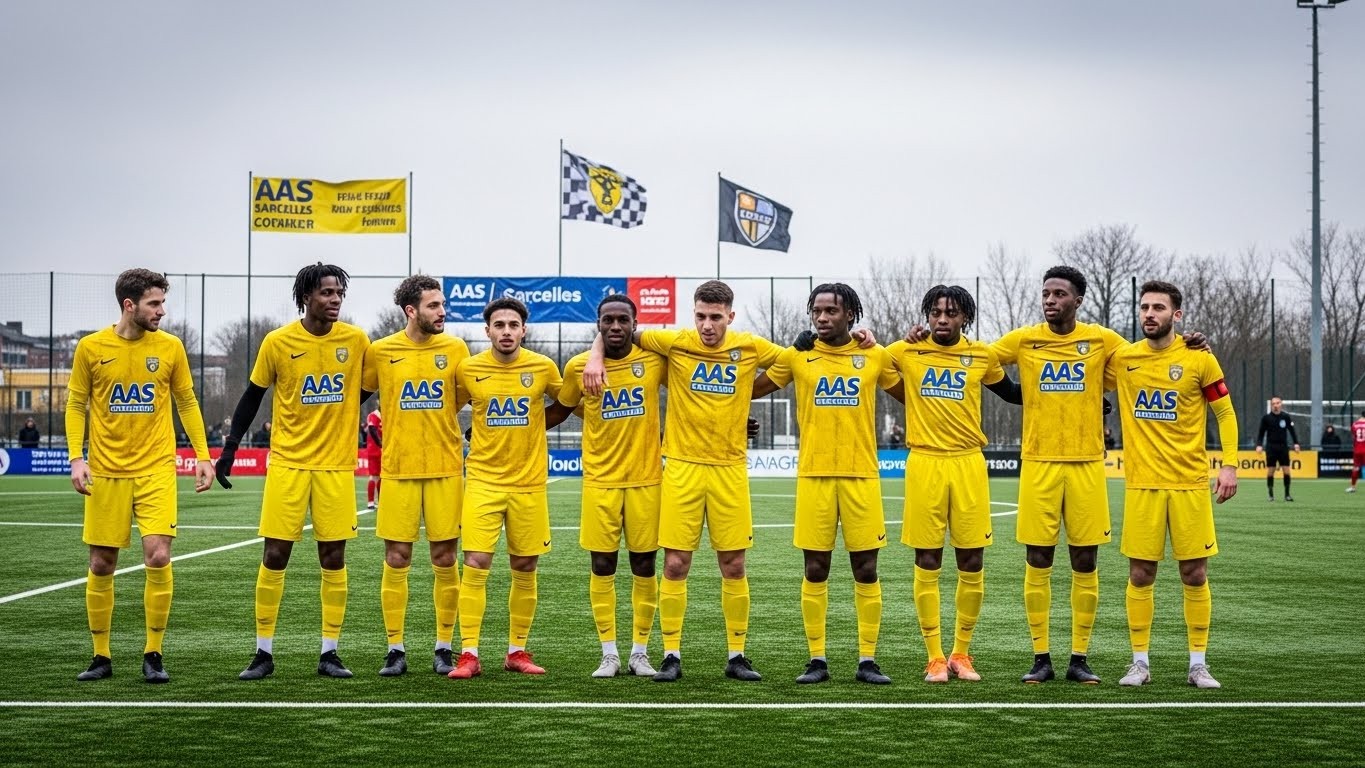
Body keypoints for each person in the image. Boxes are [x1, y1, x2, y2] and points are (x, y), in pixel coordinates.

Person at [582, 280, 788, 683]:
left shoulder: (750, 346)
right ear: (692, 314)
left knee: (734, 564)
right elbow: (615, 331)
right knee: (675, 564)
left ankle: (737, 655)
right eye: (700, 316)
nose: (707, 325)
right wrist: (594, 354)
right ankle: (671, 654)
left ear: (731, 315)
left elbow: (792, 364)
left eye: (716, 317)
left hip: (729, 468)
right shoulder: (674, 341)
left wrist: (741, 397)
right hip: (680, 467)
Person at [216, 262, 371, 681]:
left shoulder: (356, 340)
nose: (335, 299)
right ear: (306, 297)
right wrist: (230, 448)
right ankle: (263, 653)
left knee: (333, 556)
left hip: (336, 466)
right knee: (275, 554)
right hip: (287, 464)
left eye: (339, 292)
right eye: (326, 292)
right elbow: (252, 396)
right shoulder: (278, 341)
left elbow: (373, 383)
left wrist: (343, 411)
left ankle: (330, 652)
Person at [65, 268, 214, 683]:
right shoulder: (91, 348)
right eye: (154, 303)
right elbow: (77, 405)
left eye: (163, 302)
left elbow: (186, 400)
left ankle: (153, 653)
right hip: (107, 472)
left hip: (156, 470)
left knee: (159, 555)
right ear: (129, 305)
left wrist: (203, 454)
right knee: (101, 562)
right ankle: (101, 656)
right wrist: (77, 458)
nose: (162, 311)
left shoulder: (170, 348)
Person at [751, 283, 900, 685]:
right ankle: (816, 660)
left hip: (862, 477)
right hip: (814, 477)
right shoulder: (799, 356)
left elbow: (913, 392)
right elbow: (750, 388)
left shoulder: (873, 355)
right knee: (815, 568)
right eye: (816, 310)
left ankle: (868, 660)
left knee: (865, 569)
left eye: (831, 310)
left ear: (851, 314)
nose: (821, 317)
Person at [989, 266, 1131, 685]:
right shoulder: (1025, 339)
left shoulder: (1100, 339)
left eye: (1059, 294)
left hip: (1087, 464)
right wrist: (1013, 392)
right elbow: (979, 359)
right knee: (1038, 558)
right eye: (1046, 293)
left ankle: (1079, 657)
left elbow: (1143, 358)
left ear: (1078, 300)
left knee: (1085, 559)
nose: (1050, 300)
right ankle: (1041, 657)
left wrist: (1189, 343)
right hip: (1039, 464)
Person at [884, 285, 1025, 684]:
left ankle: (961, 653)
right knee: (927, 560)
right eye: (935, 312)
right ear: (926, 316)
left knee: (972, 560)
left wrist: (1076, 398)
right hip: (925, 461)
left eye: (951, 313)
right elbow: (868, 362)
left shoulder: (980, 355)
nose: (942, 319)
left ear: (965, 317)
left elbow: (1013, 393)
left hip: (967, 463)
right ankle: (933, 657)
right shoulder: (906, 351)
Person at [1110, 281, 1238, 690]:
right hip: (1143, 486)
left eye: (1159, 308)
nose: (1149, 313)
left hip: (1188, 485)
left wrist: (1229, 466)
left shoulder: (1200, 358)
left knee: (1195, 573)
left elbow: (1225, 412)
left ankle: (1198, 665)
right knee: (1141, 573)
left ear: (1176, 315)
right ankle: (1139, 663)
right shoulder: (1123, 358)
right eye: (1144, 307)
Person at [547, 294, 666, 678]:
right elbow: (560, 410)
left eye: (622, 320)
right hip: (600, 482)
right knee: (602, 564)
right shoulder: (579, 366)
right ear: (598, 324)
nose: (615, 327)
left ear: (635, 322)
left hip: (647, 480)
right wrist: (490, 430)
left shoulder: (654, 360)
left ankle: (640, 652)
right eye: (607, 321)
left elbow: (694, 386)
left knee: (644, 565)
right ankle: (610, 653)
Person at [448, 297, 562, 680]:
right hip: (482, 480)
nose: (507, 332)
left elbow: (568, 403)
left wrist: (536, 425)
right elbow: (446, 407)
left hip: (529, 484)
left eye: (514, 325)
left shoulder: (543, 367)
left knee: (525, 566)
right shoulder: (469, 369)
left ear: (524, 329)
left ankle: (517, 650)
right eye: (500, 325)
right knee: (476, 564)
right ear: (488, 331)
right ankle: (468, 654)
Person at [361, 275, 469, 677]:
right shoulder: (381, 351)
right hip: (399, 470)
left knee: (445, 558)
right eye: (434, 306)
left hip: (444, 468)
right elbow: (360, 394)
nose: (442, 312)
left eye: (443, 305)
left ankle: (444, 647)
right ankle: (395, 648)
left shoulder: (455, 348)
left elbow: (461, 399)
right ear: (411, 310)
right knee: (397, 557)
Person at [1255, 396, 1300, 502]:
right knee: (1271, 471)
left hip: (1283, 447)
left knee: (1286, 471)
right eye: (1274, 403)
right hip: (1271, 447)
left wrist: (1296, 443)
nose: (1276, 405)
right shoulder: (1266, 418)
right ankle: (1271, 495)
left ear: (1281, 404)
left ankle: (1287, 495)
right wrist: (1259, 444)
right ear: (1271, 405)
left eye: (1277, 403)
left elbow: (1292, 431)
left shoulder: (1286, 417)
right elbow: (1261, 433)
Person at [364, 408, 382, 510]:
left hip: (378, 450)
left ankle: (376, 502)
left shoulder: (375, 415)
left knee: (378, 476)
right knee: (375, 477)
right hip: (376, 449)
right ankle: (371, 502)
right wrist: (380, 444)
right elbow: (372, 429)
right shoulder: (375, 415)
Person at [1349, 410, 1365, 493]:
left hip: (1357, 450)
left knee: (1356, 468)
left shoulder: (1355, 424)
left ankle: (1353, 487)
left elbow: (1354, 435)